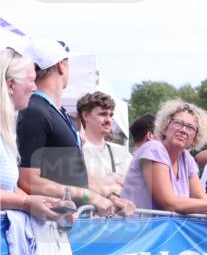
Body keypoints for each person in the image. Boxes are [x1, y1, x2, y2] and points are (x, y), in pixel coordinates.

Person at [17, 38, 126, 217]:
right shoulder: (35, 110)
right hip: (47, 226)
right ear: (61, 65)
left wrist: (108, 198)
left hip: (65, 224)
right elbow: (27, 180)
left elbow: (71, 177)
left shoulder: (55, 112)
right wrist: (87, 195)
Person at [120, 99, 207, 217]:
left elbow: (204, 203)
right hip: (136, 233)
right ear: (165, 127)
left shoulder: (187, 159)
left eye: (190, 128)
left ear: (196, 137)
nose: (183, 130)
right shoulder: (153, 149)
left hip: (163, 234)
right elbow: (168, 203)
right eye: (178, 123)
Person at [0, 47, 63, 221]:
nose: (35, 88)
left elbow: (9, 189)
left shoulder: (6, 129)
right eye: (32, 80)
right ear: (11, 84)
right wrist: (26, 202)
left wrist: (48, 204)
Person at [78, 91, 131, 196]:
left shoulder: (121, 151)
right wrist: (115, 180)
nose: (109, 120)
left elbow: (135, 186)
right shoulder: (76, 148)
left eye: (111, 115)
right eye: (103, 114)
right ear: (86, 116)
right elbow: (80, 188)